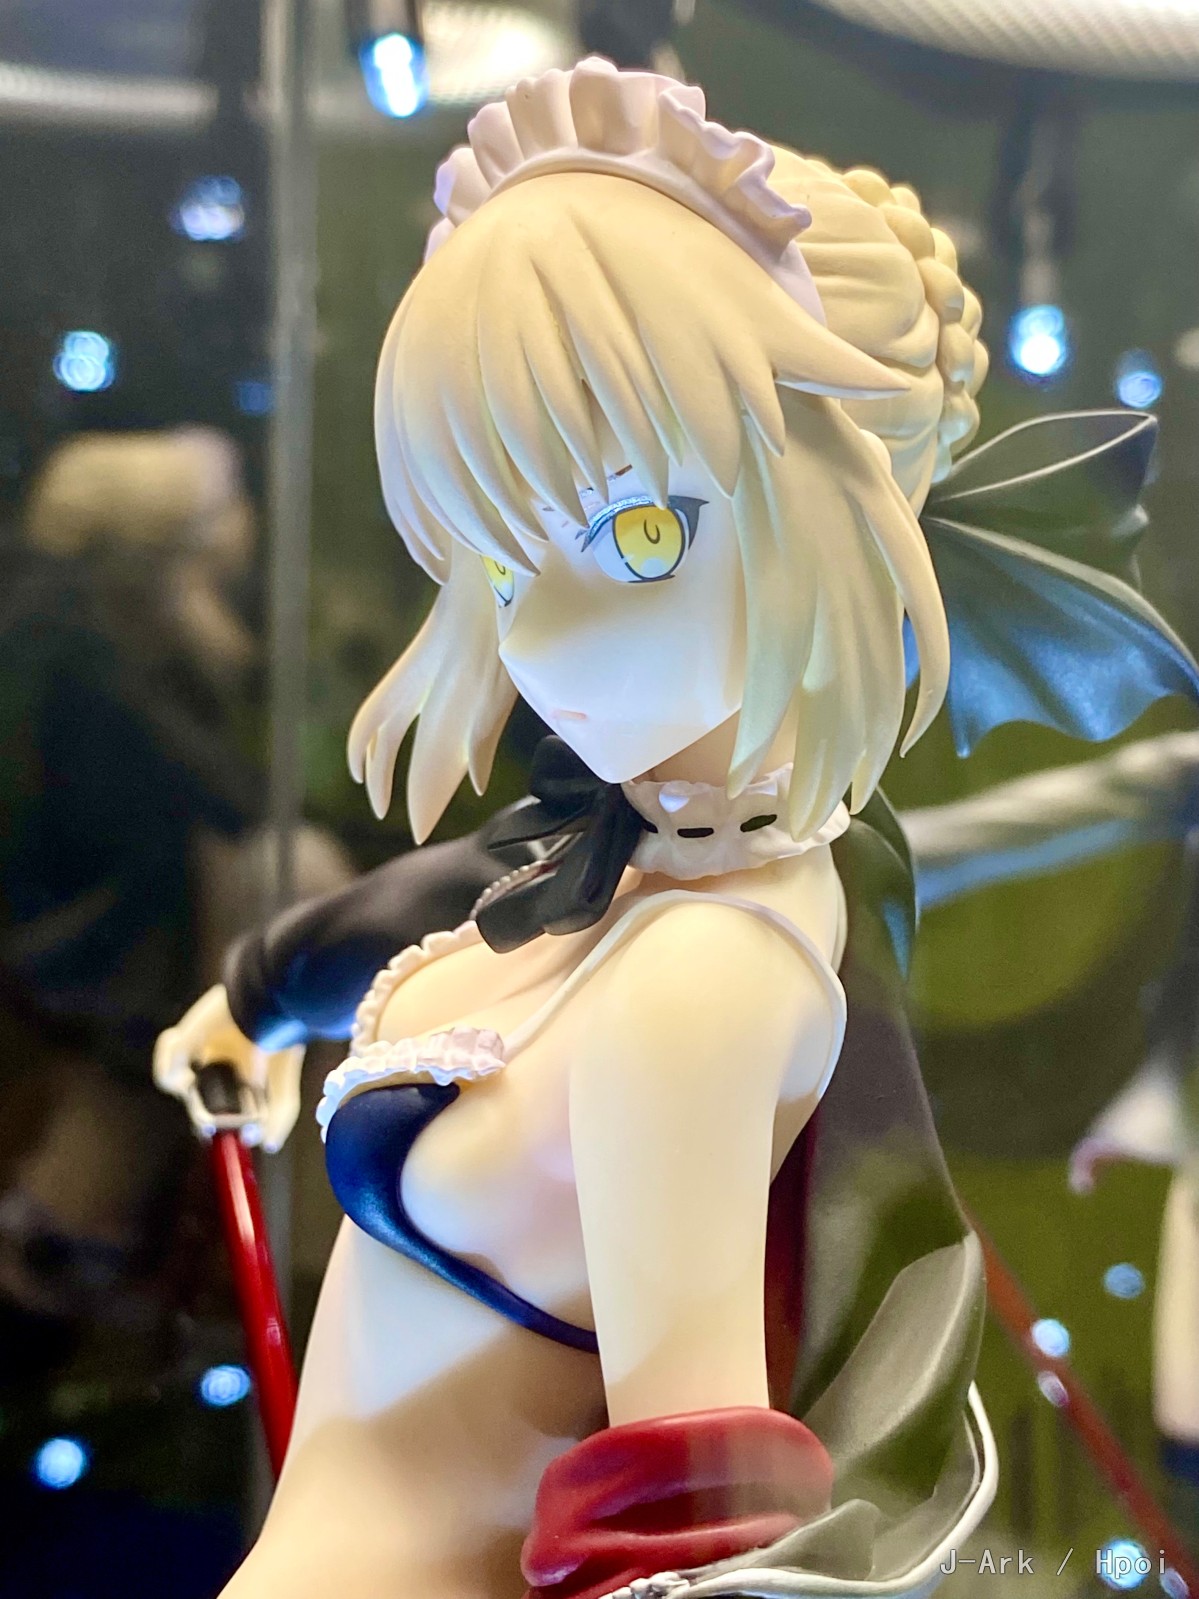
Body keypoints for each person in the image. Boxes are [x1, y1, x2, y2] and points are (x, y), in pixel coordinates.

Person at [154, 59, 1198, 1599]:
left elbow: (686, 1531)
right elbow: (488, 883)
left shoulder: (703, 979)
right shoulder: (650, 853)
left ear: (860, 508)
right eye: (504, 566)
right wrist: (258, 996)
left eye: (643, 531)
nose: (548, 641)